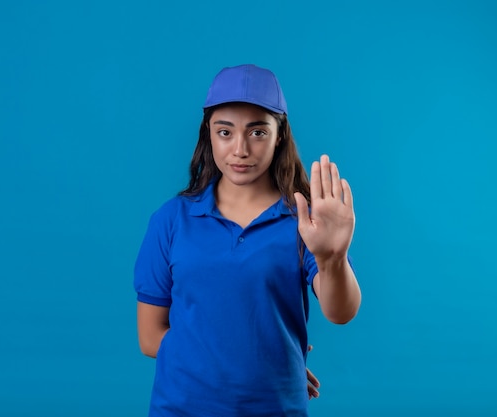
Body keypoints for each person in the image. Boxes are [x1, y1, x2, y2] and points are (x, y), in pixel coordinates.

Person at [134, 64, 361, 416]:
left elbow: (341, 312)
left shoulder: (304, 220)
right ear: (208, 133)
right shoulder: (171, 220)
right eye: (225, 132)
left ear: (280, 135)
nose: (239, 149)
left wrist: (333, 258)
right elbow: (150, 338)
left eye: (257, 133)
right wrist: (252, 370)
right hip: (182, 408)